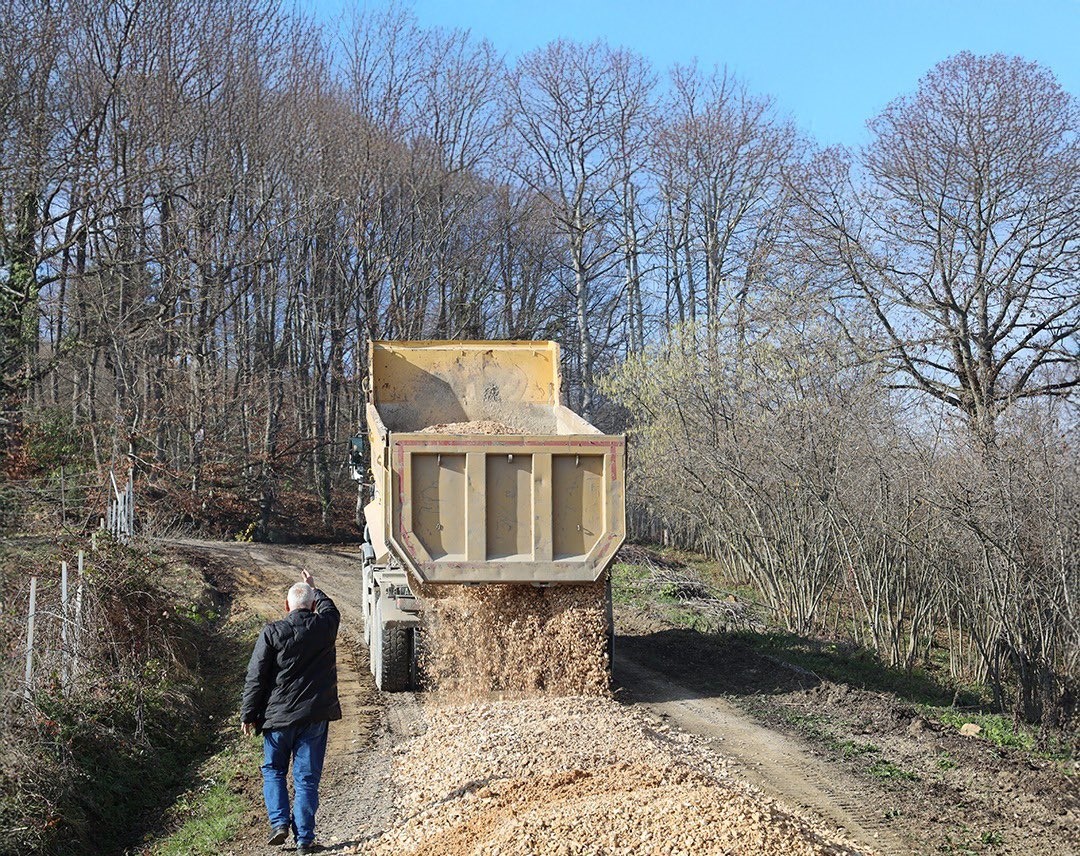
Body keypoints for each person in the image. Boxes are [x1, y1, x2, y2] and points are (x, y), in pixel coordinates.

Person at [241, 570, 341, 853]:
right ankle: (305, 840)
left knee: (273, 770)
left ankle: (279, 823)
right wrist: (314, 588)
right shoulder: (325, 627)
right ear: (312, 606)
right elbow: (329, 607)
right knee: (306, 777)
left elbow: (256, 676)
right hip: (314, 717)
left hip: (277, 718)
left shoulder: (272, 632)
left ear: (286, 607)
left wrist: (248, 714)